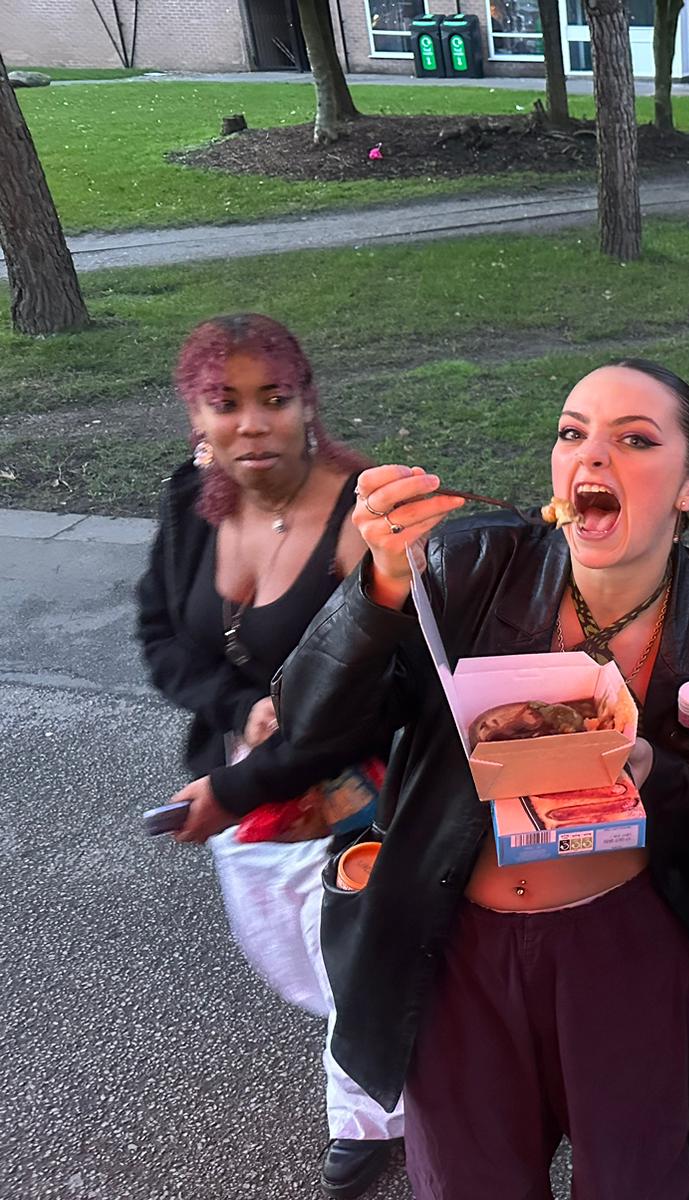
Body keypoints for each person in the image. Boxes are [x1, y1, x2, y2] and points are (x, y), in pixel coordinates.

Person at [274, 359, 689, 1200]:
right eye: (571, 433)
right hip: (456, 944)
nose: (592, 458)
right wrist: (382, 586)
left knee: (636, 1181)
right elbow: (312, 723)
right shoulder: (469, 572)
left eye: (635, 440)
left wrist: (653, 771)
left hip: (623, 952)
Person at [135, 313, 405, 1199]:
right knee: (289, 961)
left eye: (273, 400)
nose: (251, 423)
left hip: (357, 792)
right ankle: (390, 1041)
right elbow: (159, 640)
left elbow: (355, 707)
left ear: (307, 405)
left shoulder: (362, 513)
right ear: (197, 421)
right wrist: (241, 707)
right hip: (246, 798)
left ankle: (370, 1117)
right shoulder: (191, 499)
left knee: (348, 959)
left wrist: (230, 783)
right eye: (226, 403)